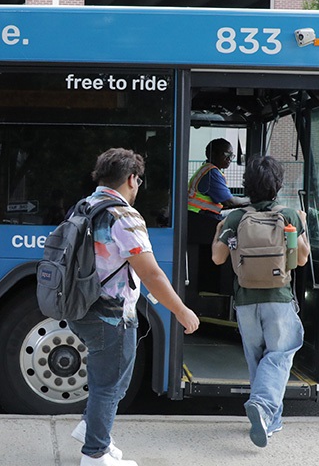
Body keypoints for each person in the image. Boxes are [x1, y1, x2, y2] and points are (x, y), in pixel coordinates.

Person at [69, 148, 201, 466]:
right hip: (109, 315)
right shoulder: (123, 215)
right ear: (132, 179)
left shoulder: (84, 206)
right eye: (138, 181)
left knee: (114, 378)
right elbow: (151, 272)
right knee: (110, 382)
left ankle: (91, 428)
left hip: (80, 307)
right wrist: (181, 310)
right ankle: (95, 453)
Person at [210, 155, 309, 449]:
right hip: (278, 298)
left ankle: (270, 420)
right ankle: (264, 408)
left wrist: (220, 229)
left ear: (247, 186)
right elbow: (301, 259)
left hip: (245, 300)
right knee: (279, 356)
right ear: (277, 185)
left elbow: (217, 258)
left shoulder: (236, 218)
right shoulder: (289, 215)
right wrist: (302, 226)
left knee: (259, 360)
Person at [187, 138, 250, 296]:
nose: (230, 159)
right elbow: (228, 201)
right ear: (213, 154)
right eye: (227, 154)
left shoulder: (211, 170)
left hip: (199, 219)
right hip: (197, 220)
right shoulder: (211, 172)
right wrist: (252, 200)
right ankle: (224, 290)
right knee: (231, 238)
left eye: (232, 155)